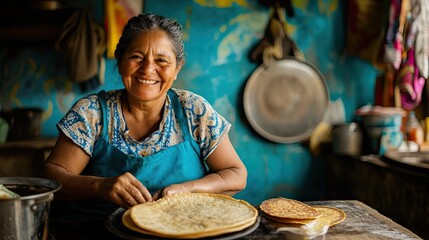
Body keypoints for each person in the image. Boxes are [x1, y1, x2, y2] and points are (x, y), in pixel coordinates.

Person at [44, 13, 247, 218]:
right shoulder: (91, 113)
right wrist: (99, 185)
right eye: (136, 57)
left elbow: (236, 175)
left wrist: (186, 190)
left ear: (177, 68)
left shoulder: (194, 110)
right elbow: (51, 178)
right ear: (120, 60)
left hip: (184, 230)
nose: (148, 69)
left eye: (161, 60)